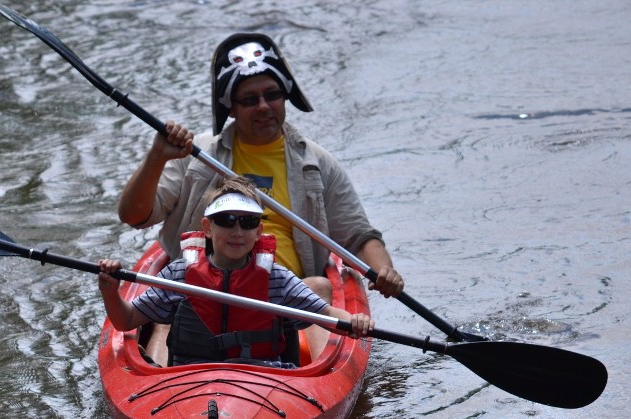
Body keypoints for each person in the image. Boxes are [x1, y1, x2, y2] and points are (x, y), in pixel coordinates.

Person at [116, 33, 403, 357]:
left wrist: (384, 271)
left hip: (285, 295)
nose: (264, 106)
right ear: (231, 107)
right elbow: (134, 216)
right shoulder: (195, 155)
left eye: (272, 95)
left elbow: (358, 235)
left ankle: (315, 381)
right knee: (172, 301)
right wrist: (157, 156)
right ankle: (160, 385)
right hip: (197, 289)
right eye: (250, 99)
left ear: (285, 97)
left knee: (319, 287)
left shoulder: (318, 163)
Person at [99, 177, 374, 367]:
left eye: (247, 222)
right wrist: (109, 291)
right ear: (207, 228)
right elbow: (126, 320)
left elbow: (327, 316)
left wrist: (356, 321)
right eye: (226, 221)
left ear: (259, 232)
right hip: (188, 383)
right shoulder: (180, 275)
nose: (237, 231)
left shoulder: (276, 280)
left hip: (266, 383)